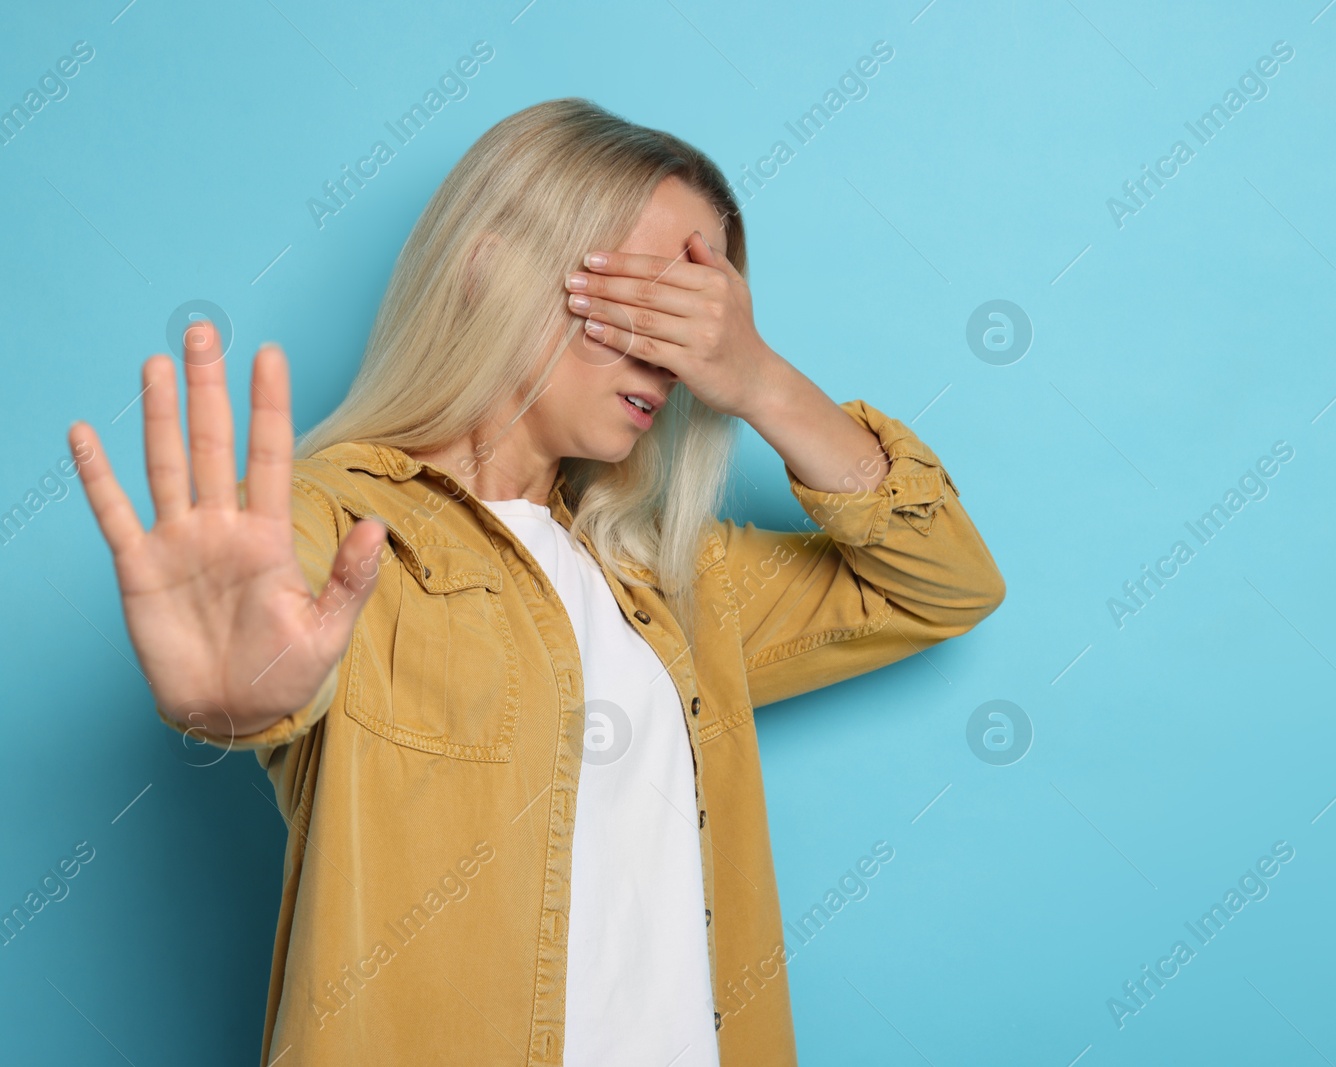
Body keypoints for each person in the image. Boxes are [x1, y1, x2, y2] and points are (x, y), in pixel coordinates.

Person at [70, 97, 1005, 1067]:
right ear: (491, 265)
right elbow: (266, 635)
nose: (674, 353)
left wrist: (762, 379)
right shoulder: (335, 520)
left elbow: (940, 585)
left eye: (704, 322)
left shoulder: (669, 580)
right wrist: (240, 689)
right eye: (649, 300)